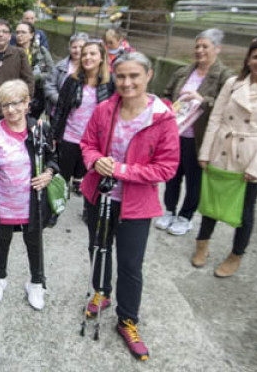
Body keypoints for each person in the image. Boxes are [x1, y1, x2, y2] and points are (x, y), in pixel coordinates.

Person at [79, 52, 179, 361]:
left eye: (134, 75)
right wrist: (96, 160)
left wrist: (122, 170)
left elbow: (166, 168)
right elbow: (87, 145)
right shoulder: (104, 109)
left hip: (136, 205)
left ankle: (127, 320)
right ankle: (101, 292)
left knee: (131, 265)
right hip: (100, 196)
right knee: (98, 248)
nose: (127, 82)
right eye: (121, 76)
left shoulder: (162, 118)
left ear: (149, 75)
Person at [194, 36, 257, 276]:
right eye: (256, 56)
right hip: (223, 150)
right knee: (211, 202)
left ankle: (235, 255)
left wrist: (256, 166)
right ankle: (202, 244)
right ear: (248, 59)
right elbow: (216, 118)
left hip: (254, 156)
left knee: (245, 210)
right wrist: (206, 151)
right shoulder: (233, 83)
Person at [0, 80, 59, 311]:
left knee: (34, 242)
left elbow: (54, 158)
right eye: (5, 105)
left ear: (27, 103)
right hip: (3, 202)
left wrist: (48, 172)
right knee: (1, 241)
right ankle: (0, 278)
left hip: (32, 203)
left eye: (16, 103)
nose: (11, 110)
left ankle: (36, 282)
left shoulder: (40, 129)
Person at [156, 29, 235, 235]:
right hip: (175, 135)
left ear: (217, 49)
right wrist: (170, 106)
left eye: (205, 47)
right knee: (172, 176)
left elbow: (229, 108)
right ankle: (170, 210)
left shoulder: (226, 78)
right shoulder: (183, 72)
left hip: (200, 139)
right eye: (197, 46)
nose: (200, 51)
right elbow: (166, 94)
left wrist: (203, 100)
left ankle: (186, 216)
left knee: (194, 179)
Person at [53, 41, 115, 195]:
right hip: (69, 138)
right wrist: (53, 135)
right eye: (84, 54)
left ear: (102, 57)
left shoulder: (110, 84)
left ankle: (89, 212)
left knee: (88, 182)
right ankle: (52, 215)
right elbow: (60, 108)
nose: (87, 57)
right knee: (60, 180)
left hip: (93, 143)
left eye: (92, 54)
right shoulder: (71, 80)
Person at [14, 22, 54, 119]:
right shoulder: (11, 52)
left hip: (37, 96)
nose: (20, 35)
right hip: (16, 94)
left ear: (31, 35)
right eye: (17, 32)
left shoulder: (42, 51)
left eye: (23, 32)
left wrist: (37, 77)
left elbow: (52, 73)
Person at [45, 33, 89, 117]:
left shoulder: (91, 68)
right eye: (74, 47)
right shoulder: (60, 66)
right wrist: (60, 101)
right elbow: (49, 86)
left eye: (81, 47)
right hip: (58, 111)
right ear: (69, 48)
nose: (77, 50)